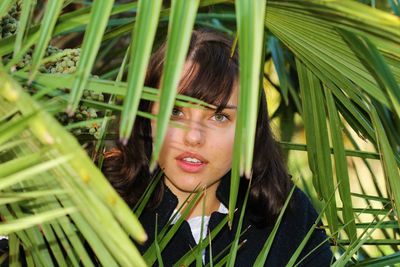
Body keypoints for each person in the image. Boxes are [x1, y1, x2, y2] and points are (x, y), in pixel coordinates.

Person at [102, 28, 333, 266]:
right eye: (175, 112)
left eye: (219, 117)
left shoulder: (287, 215)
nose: (193, 137)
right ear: (144, 116)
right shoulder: (97, 208)